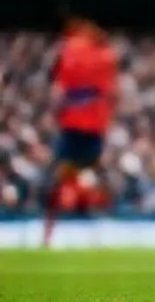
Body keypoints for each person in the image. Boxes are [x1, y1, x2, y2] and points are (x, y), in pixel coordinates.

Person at [43, 16, 117, 248]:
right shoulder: (104, 56)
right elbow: (107, 92)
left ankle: (49, 233)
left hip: (75, 128)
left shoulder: (72, 52)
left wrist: (62, 104)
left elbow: (60, 88)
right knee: (89, 176)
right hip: (91, 129)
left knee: (62, 180)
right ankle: (103, 223)